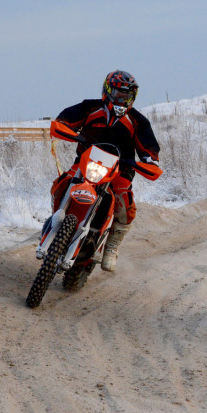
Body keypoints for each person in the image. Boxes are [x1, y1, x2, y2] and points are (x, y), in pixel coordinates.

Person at [50, 70, 161, 272]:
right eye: (119, 93)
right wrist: (62, 126)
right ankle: (56, 215)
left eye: (127, 95)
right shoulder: (89, 108)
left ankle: (111, 247)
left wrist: (149, 161)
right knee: (64, 180)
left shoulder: (138, 121)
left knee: (124, 201)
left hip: (120, 169)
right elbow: (64, 119)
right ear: (108, 91)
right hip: (87, 160)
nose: (122, 99)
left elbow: (149, 150)